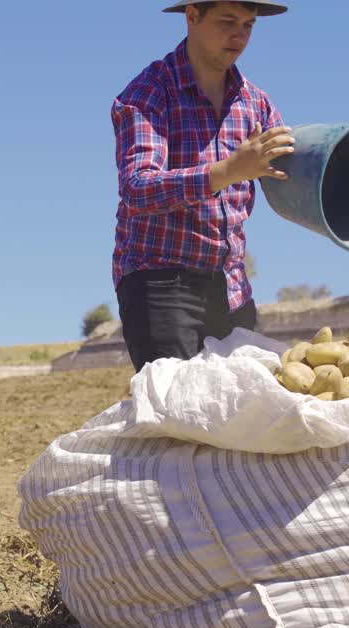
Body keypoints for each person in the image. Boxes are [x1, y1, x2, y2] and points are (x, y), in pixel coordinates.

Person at [112, 1, 295, 371]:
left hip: (232, 289)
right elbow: (137, 187)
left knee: (243, 402)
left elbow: (294, 171)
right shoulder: (148, 93)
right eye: (228, 22)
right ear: (192, 16)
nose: (239, 36)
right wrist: (227, 171)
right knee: (177, 403)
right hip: (161, 285)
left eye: (248, 25)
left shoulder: (255, 103)